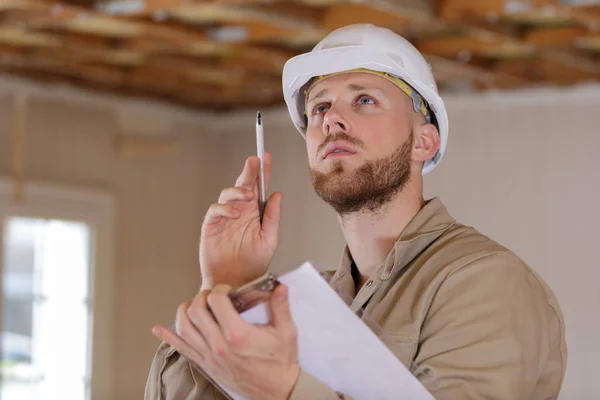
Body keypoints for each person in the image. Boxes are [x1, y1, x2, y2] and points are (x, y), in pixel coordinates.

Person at [145, 24, 567, 400]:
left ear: (424, 141)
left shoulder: (484, 282)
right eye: (320, 108)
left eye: (364, 99)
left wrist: (284, 391)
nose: (332, 121)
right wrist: (228, 289)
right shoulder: (301, 305)